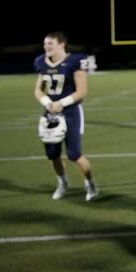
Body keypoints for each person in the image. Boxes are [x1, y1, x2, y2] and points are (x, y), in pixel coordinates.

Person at [33, 32, 99, 201]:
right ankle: (62, 182)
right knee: (53, 155)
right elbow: (38, 90)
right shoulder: (41, 62)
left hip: (71, 111)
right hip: (51, 112)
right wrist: (48, 103)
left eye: (50, 43)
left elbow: (81, 92)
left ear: (62, 44)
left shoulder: (74, 61)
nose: (46, 46)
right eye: (45, 43)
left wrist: (61, 103)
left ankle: (90, 183)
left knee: (74, 154)